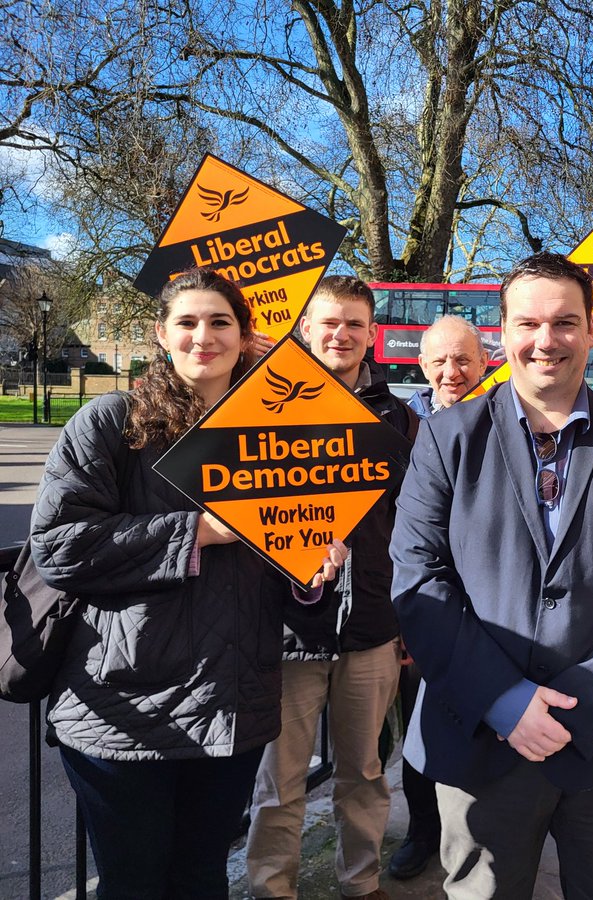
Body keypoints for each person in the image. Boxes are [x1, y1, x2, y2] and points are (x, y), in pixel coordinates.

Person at [29, 267, 346, 900]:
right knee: (135, 885)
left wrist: (310, 574)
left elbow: (290, 577)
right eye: (188, 322)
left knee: (202, 879)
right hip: (124, 710)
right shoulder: (110, 422)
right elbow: (59, 546)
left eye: (220, 322)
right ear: (162, 334)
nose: (205, 336)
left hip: (234, 706)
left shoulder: (277, 434)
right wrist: (198, 530)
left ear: (245, 335)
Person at [389, 251, 593, 898]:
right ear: (502, 333)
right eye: (528, 323)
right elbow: (418, 577)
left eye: (564, 322)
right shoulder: (445, 439)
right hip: (479, 736)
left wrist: (581, 703)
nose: (545, 340)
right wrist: (505, 700)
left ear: (590, 330)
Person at [246, 276, 418, 900]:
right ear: (305, 329)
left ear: (371, 334)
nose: (341, 334)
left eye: (354, 324)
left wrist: (407, 618)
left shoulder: (399, 418)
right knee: (280, 780)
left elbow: (414, 522)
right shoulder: (263, 403)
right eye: (329, 322)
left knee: (365, 772)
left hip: (371, 623)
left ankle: (361, 882)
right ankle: (272, 888)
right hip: (288, 627)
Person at [390, 313, 490, 880]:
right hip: (423, 603)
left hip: (489, 607)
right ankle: (423, 832)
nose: (452, 371)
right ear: (422, 364)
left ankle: (485, 834)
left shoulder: (507, 419)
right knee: (420, 728)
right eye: (440, 360)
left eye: (463, 360)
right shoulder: (401, 425)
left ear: (483, 364)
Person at [408, 315, 490, 418]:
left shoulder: (503, 417)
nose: (450, 373)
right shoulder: (406, 421)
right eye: (439, 362)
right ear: (425, 367)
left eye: (462, 360)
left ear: (482, 362)